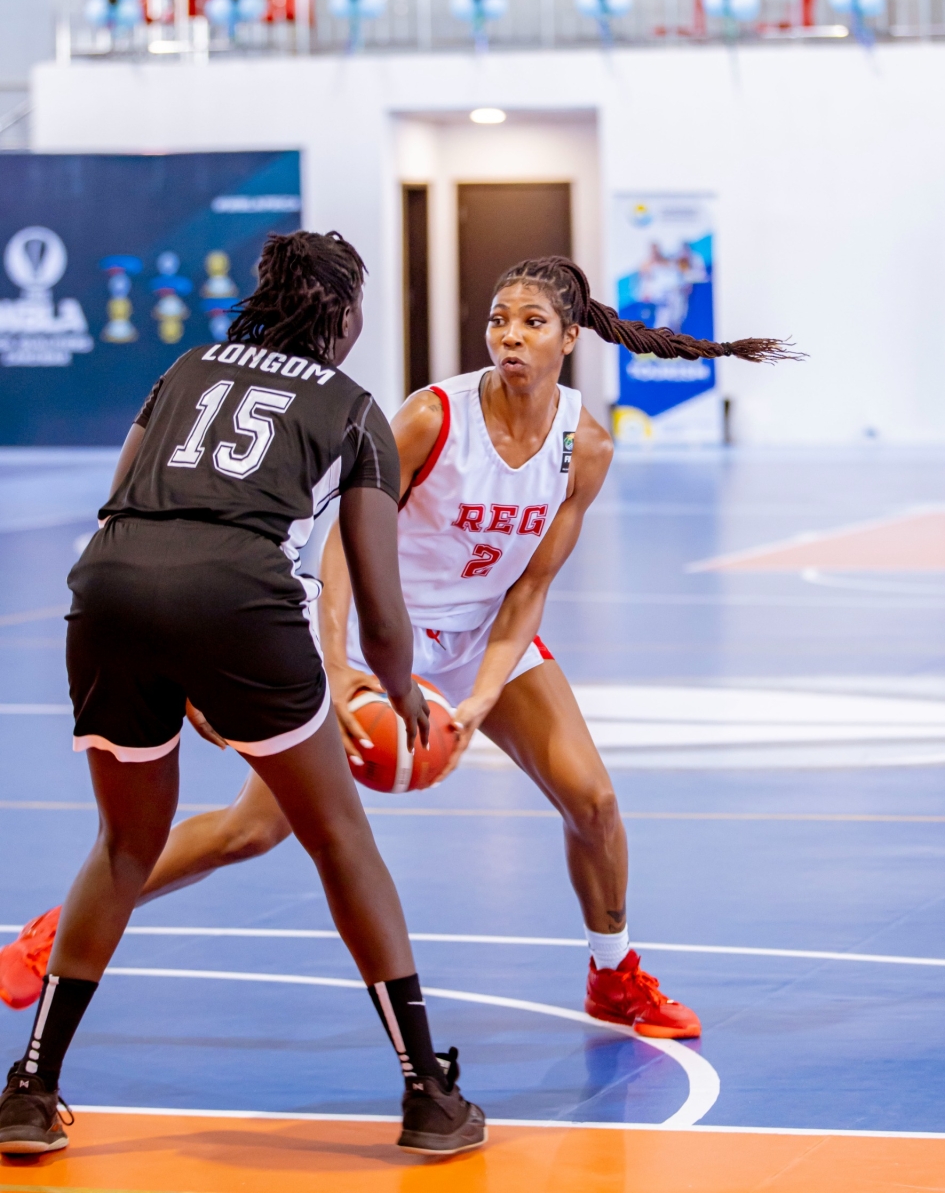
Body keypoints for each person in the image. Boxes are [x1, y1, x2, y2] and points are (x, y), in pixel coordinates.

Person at [1, 255, 795, 1047]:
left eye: (531, 323)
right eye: (497, 320)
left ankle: (613, 975)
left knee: (593, 802)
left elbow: (529, 590)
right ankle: (55, 929)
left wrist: (482, 698)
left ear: (569, 338)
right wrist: (340, 663)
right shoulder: (429, 416)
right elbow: (350, 543)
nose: (509, 337)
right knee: (254, 831)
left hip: (482, 630)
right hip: (385, 632)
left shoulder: (584, 446)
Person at [0, 231, 485, 1158]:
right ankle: (429, 1094)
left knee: (124, 842)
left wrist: (172, 659)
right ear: (342, 315)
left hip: (107, 589)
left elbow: (119, 497)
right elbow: (381, 608)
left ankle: (30, 1087)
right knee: (339, 835)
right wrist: (399, 694)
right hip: (236, 598)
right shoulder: (354, 408)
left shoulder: (186, 368)